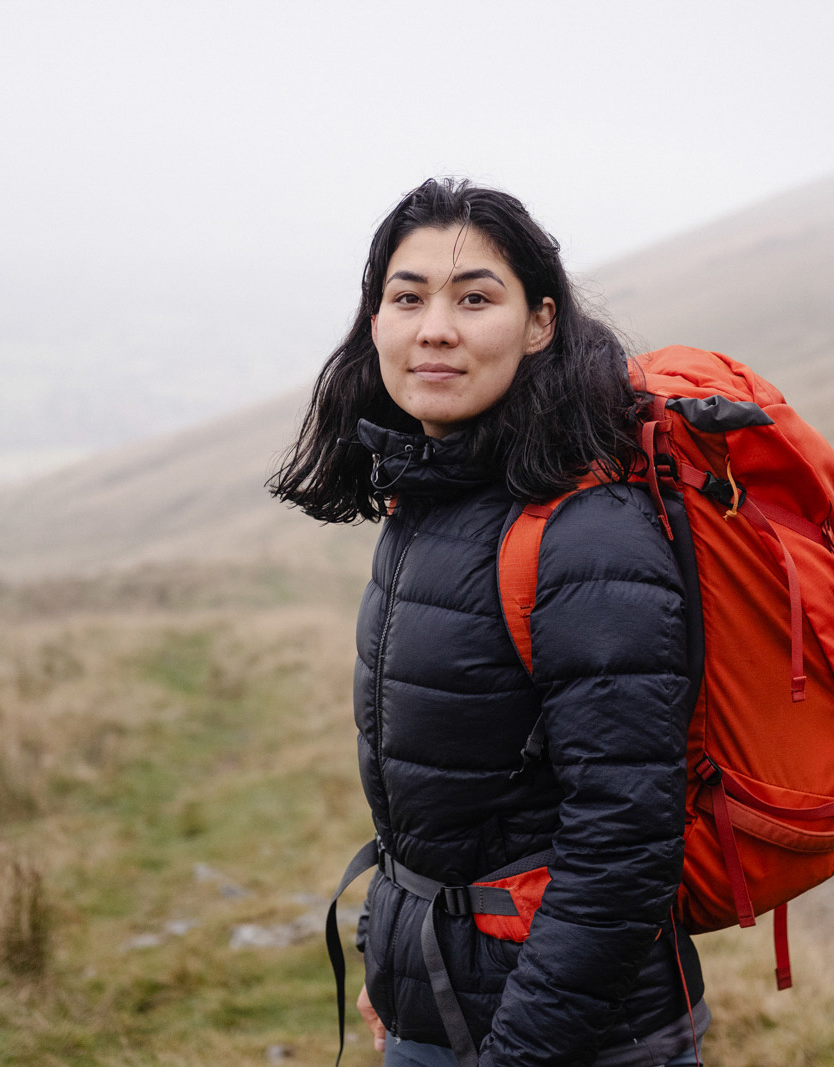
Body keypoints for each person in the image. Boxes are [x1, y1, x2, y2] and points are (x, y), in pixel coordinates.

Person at [271, 178, 707, 1067]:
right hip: (444, 1005)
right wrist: (396, 966)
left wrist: (518, 1055)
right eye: (407, 296)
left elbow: (623, 845)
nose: (436, 326)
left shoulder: (587, 532)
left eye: (476, 298)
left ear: (541, 323)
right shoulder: (429, 495)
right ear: (376, 320)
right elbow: (442, 812)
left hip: (572, 1040)